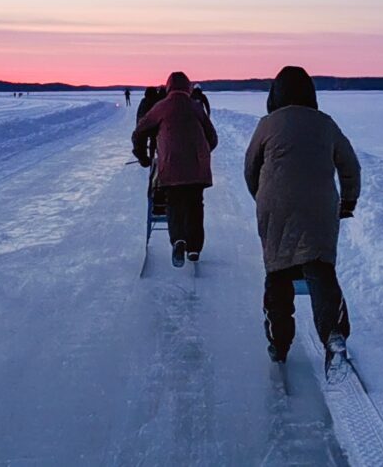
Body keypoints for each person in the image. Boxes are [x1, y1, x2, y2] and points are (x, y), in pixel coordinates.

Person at [244, 66, 361, 375]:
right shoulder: (325, 124)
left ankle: (278, 344)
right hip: (319, 207)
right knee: (320, 269)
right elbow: (350, 165)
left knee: (278, 273)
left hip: (276, 206)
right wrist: (348, 201)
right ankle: (333, 336)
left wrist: (263, 198)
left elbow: (250, 167)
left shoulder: (267, 125)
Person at [132, 72, 218, 267]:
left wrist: (143, 157)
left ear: (168, 87)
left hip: (171, 164)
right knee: (195, 204)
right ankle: (195, 248)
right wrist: (202, 153)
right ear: (188, 87)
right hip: (197, 167)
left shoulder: (161, 107)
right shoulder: (196, 107)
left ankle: (178, 240)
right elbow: (212, 137)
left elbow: (139, 131)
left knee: (174, 201)